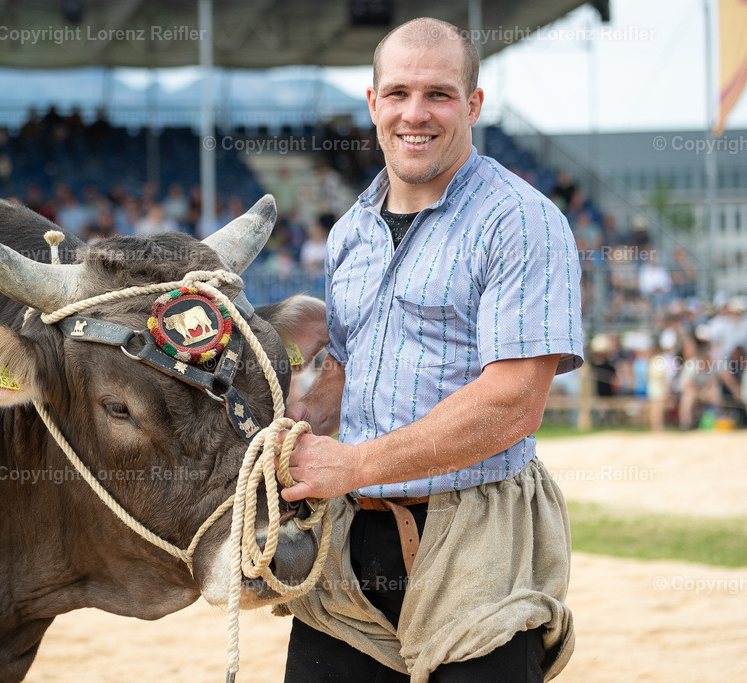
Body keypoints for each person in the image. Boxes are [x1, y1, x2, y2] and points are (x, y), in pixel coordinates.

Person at [278, 18, 583, 682]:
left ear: (473, 105)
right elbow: (347, 365)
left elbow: (512, 406)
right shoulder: (351, 229)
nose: (415, 113)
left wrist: (353, 463)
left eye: (439, 95)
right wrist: (293, 432)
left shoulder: (521, 221)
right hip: (351, 540)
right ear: (373, 104)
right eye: (399, 93)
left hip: (477, 538)